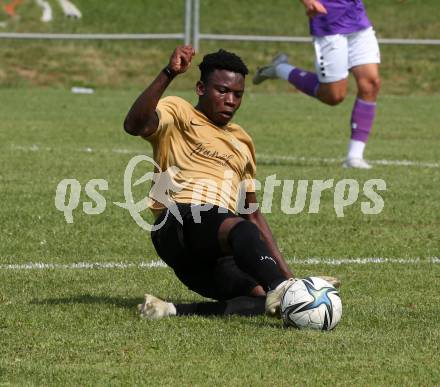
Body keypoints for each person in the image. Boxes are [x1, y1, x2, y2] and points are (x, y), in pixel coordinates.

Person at [124, 45, 339, 319]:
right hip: (179, 221)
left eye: (238, 94)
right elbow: (134, 125)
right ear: (201, 88)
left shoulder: (242, 141)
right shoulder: (178, 112)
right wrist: (169, 74)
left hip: (212, 249)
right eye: (222, 91)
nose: (230, 100)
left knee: (264, 301)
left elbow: (253, 216)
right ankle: (285, 289)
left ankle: (169, 310)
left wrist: (291, 280)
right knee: (243, 232)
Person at [253, 0, 381, 169]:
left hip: (357, 17)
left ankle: (354, 157)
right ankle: (281, 69)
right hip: (328, 21)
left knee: (371, 83)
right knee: (334, 96)